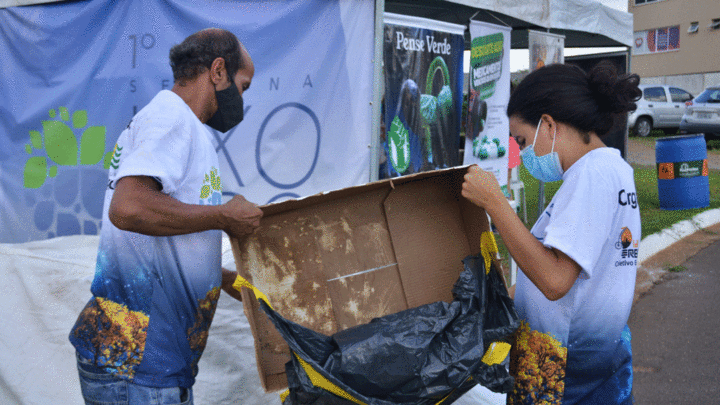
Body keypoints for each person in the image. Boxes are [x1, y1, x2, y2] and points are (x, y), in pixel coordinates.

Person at [69, 28, 262, 404]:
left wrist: (219, 277)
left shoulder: (185, 127)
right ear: (218, 71)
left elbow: (161, 231)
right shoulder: (171, 118)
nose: (241, 99)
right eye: (244, 86)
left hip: (151, 367)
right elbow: (130, 208)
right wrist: (223, 215)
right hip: (136, 367)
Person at [462, 62, 642, 405]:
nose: (523, 151)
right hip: (598, 374)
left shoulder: (591, 175)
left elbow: (555, 281)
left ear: (548, 125)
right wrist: (500, 301)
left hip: (569, 381)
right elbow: (573, 274)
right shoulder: (613, 169)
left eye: (522, 140)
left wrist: (495, 203)